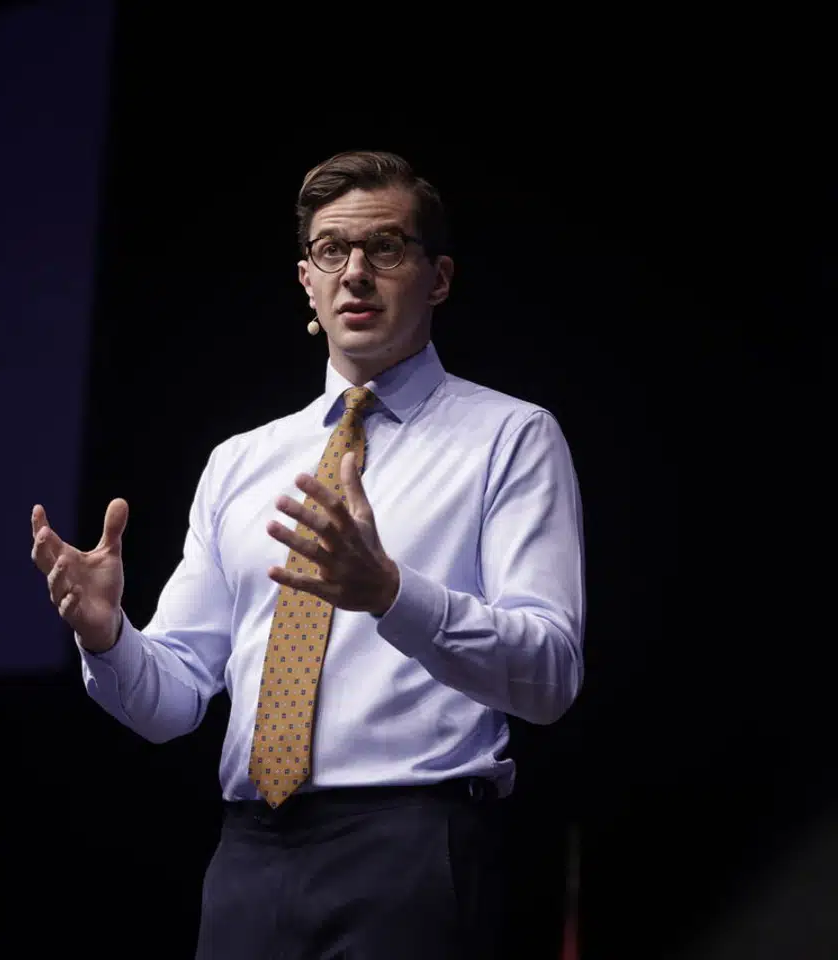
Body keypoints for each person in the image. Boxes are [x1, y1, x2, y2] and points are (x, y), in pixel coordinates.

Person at [30, 150, 585, 959]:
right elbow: (173, 703)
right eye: (333, 250)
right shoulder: (240, 462)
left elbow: (549, 677)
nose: (356, 273)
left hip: (414, 848)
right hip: (250, 859)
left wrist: (392, 594)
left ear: (438, 278)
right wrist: (107, 637)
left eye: (386, 248)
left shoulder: (510, 437)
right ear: (307, 281)